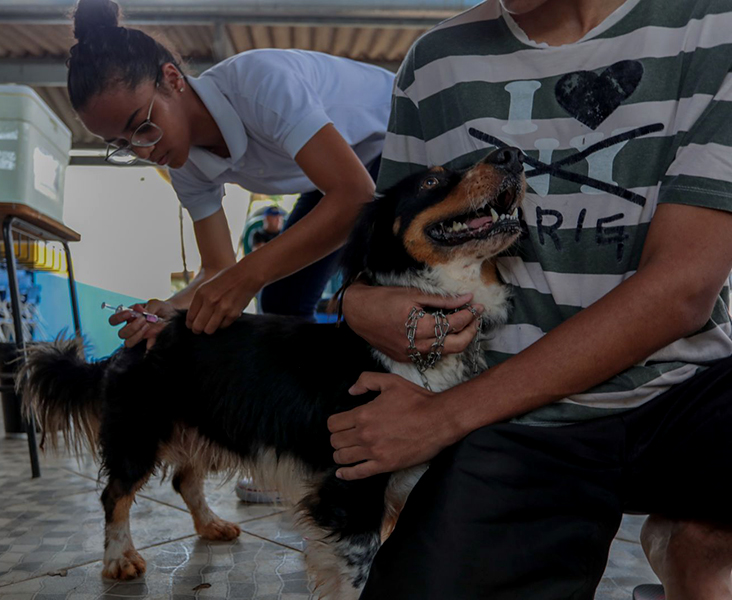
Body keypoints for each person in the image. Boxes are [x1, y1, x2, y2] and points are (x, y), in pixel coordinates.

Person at [327, 0, 732, 598]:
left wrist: (442, 417)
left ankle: (694, 540)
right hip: (517, 419)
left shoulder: (714, 26)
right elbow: (393, 240)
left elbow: (682, 288)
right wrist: (355, 301)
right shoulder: (435, 61)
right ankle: (688, 534)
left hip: (687, 396)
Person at [66, 0, 483, 503]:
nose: (143, 149)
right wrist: (167, 311)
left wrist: (245, 278)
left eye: (142, 125)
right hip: (334, 177)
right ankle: (307, 449)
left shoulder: (259, 84)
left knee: (377, 291)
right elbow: (217, 270)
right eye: (121, 144)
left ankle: (424, 436)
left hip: (395, 147)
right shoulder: (186, 166)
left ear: (173, 79)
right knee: (284, 301)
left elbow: (352, 196)